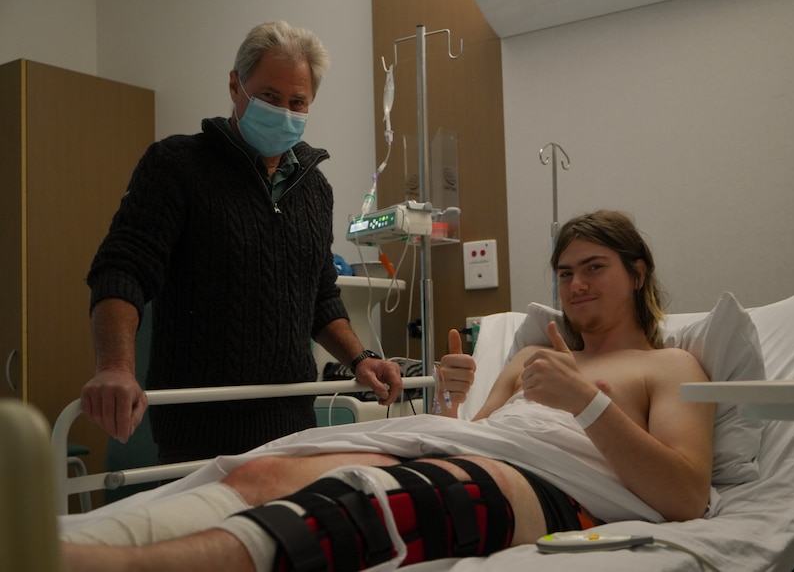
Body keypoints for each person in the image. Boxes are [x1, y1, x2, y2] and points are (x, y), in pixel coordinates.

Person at [62, 210, 714, 572]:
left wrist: (586, 401)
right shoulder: (535, 357)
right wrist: (456, 402)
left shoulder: (670, 365)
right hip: (483, 452)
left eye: (593, 268)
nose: (575, 285)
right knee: (268, 472)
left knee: (367, 500)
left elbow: (685, 494)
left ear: (637, 270)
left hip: (564, 490)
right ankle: (69, 540)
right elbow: (470, 433)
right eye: (566, 272)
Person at [81, 20, 403, 464]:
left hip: (292, 431)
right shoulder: (178, 166)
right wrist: (115, 367)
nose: (284, 111)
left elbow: (321, 296)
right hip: (198, 436)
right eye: (269, 97)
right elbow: (123, 268)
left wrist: (360, 358)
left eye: (297, 102)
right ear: (236, 85)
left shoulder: (314, 190)